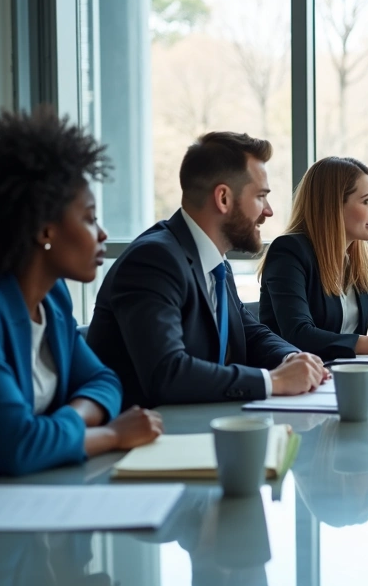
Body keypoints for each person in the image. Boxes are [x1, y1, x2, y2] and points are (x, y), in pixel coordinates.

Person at [0, 109, 163, 514]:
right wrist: (110, 434)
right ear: (45, 230)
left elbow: (102, 379)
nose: (103, 234)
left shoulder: (52, 299)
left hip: (22, 506)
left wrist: (71, 422)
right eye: (90, 218)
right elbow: (16, 446)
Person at [87, 131, 327, 406]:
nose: (269, 211)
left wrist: (292, 358)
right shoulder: (153, 260)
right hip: (152, 437)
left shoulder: (215, 261)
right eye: (261, 196)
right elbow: (167, 373)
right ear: (223, 198)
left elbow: (250, 333)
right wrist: (274, 381)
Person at [259, 156, 368, 361]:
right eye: (367, 200)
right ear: (333, 206)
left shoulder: (363, 257)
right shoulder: (289, 252)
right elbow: (299, 335)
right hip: (297, 380)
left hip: (347, 377)